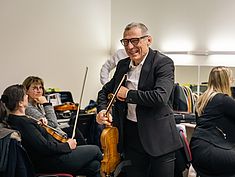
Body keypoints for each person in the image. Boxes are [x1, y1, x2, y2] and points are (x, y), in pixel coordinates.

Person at [96, 22, 182, 177]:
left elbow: (160, 97)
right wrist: (103, 109)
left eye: (135, 41)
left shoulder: (163, 63)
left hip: (159, 138)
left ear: (148, 40)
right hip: (131, 137)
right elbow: (105, 91)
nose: (130, 46)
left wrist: (128, 95)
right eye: (126, 42)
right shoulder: (122, 65)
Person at [0, 84, 102, 177]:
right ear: (20, 103)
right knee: (96, 150)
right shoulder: (24, 123)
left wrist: (38, 125)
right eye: (25, 95)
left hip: (51, 157)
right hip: (52, 161)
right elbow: (45, 147)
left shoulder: (14, 119)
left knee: (94, 166)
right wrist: (67, 145)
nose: (27, 96)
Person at [190, 66, 235, 177]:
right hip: (213, 150)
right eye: (231, 78)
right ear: (225, 80)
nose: (232, 81)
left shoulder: (202, 99)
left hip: (198, 150)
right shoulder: (223, 99)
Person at [22, 76, 86, 145]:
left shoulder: (38, 104)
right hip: (50, 139)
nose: (39, 90)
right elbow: (53, 124)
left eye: (40, 87)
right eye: (35, 88)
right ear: (27, 91)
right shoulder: (28, 108)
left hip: (56, 135)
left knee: (74, 129)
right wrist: (46, 104)